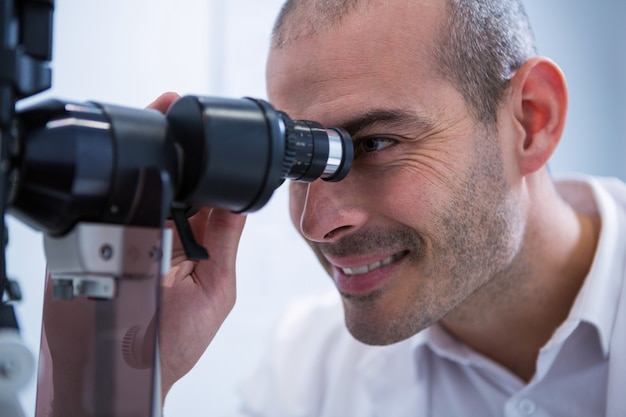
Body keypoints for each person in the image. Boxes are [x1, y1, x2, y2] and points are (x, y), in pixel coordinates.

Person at [154, 0, 626, 415]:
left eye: (376, 143)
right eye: (296, 161)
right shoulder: (305, 374)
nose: (317, 224)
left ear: (530, 119)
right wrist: (140, 365)